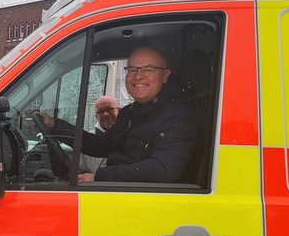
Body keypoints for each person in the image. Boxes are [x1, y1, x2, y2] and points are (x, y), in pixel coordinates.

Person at [38, 46, 198, 183]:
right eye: (132, 69)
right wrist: (54, 125)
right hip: (123, 191)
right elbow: (101, 145)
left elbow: (163, 169)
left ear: (165, 75)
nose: (138, 76)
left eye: (148, 69)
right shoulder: (131, 112)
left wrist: (99, 177)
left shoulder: (179, 116)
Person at [78, 96, 120, 174]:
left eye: (109, 109)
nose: (106, 114)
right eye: (101, 111)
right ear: (96, 116)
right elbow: (79, 171)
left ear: (119, 110)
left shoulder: (131, 135)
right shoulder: (87, 141)